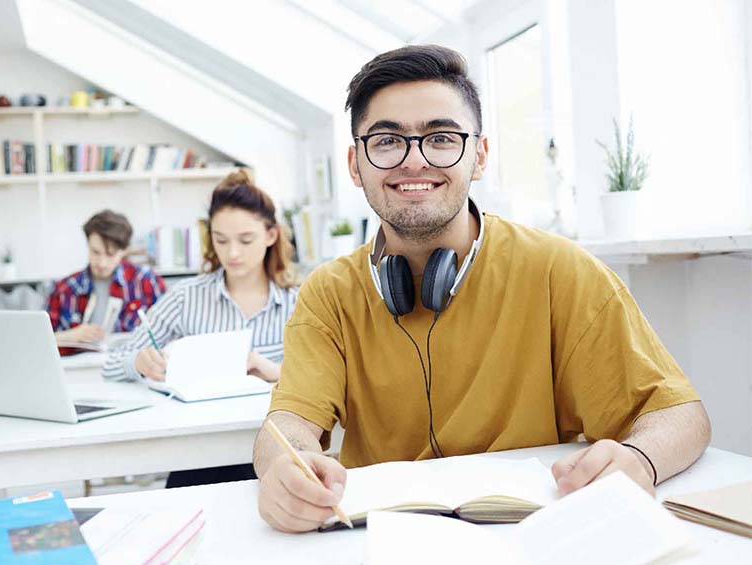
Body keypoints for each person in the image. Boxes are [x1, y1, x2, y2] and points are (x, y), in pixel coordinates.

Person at [253, 45, 711, 533]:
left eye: (442, 138)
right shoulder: (328, 292)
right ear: (355, 162)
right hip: (383, 540)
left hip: (539, 534)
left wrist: (639, 460)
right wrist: (284, 466)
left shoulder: (559, 269)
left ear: (479, 155)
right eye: (387, 141)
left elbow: (681, 415)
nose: (414, 161)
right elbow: (288, 425)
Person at [104, 169, 299, 486]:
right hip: (197, 456)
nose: (232, 253)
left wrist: (276, 371)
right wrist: (139, 362)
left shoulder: (298, 302)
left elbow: (329, 379)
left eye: (245, 240)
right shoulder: (185, 296)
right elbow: (112, 362)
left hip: (273, 455)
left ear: (271, 235)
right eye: (221, 240)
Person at [46, 210, 167, 348]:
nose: (102, 263)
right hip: (76, 367)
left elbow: (168, 333)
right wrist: (70, 336)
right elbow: (38, 341)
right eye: (95, 252)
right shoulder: (64, 289)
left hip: (131, 366)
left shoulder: (147, 281)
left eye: (111, 254)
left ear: (124, 251)